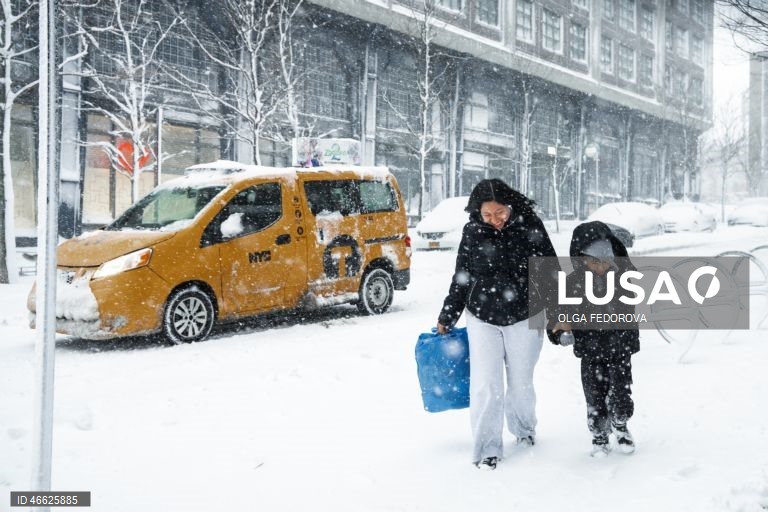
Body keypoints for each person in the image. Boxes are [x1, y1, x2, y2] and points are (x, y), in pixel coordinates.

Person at [436, 178, 557, 470]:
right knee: (486, 384)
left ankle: (524, 429)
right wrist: (448, 314)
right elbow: (462, 275)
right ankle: (488, 446)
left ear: (510, 206)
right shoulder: (473, 231)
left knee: (520, 382)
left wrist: (558, 318)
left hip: (525, 314)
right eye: (487, 215)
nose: (495, 220)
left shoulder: (530, 226)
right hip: (482, 316)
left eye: (500, 213)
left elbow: (550, 273)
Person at [549, 220, 640, 457]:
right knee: (595, 397)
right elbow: (558, 315)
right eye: (592, 261)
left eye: (604, 261)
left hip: (619, 349)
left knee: (621, 393)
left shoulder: (623, 279)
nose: (599, 266)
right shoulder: (573, 283)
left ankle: (620, 425)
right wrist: (560, 331)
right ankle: (599, 436)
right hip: (590, 353)